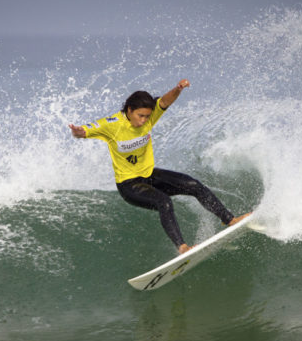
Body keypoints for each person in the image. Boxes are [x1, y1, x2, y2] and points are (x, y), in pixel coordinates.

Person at [69, 79, 250, 254]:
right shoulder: (112, 124)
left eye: (147, 116)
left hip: (150, 175)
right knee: (164, 201)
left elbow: (163, 101)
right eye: (140, 116)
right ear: (129, 110)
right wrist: (78, 132)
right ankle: (183, 248)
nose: (144, 120)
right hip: (128, 185)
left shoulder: (148, 118)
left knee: (194, 185)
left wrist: (178, 89)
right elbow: (85, 131)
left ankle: (229, 219)